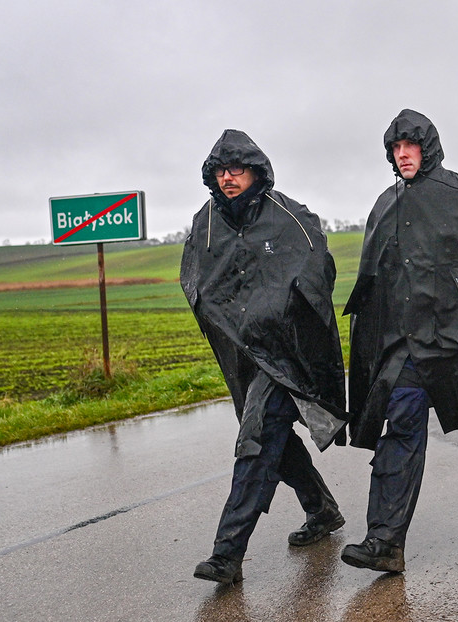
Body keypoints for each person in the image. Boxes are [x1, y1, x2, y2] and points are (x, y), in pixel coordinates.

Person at [339, 109, 458, 573]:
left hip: (457, 341)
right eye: (395, 148)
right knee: (400, 426)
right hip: (407, 347)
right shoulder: (386, 204)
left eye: (410, 146)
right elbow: (374, 278)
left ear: (427, 147)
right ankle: (384, 541)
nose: (402, 155)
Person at [180, 129, 349, 584]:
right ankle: (321, 508)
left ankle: (227, 554)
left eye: (236, 169)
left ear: (257, 171)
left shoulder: (288, 217)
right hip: (243, 355)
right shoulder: (206, 222)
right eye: (220, 170)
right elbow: (195, 279)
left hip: (288, 352)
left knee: (256, 439)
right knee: (274, 438)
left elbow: (316, 273)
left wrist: (280, 316)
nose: (228, 178)